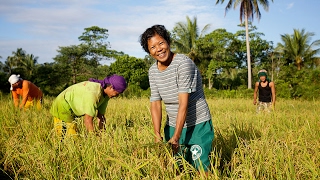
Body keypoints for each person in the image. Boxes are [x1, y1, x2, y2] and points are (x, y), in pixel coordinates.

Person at [139, 25, 214, 174]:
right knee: (178, 168)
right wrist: (157, 133)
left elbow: (183, 104)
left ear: (168, 42)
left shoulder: (183, 64)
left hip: (196, 123)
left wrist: (177, 137)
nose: (158, 49)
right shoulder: (152, 71)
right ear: (149, 52)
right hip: (173, 123)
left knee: (200, 168)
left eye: (161, 43)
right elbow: (155, 103)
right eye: (152, 47)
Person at [50, 74, 127, 137]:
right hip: (62, 104)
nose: (117, 96)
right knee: (69, 136)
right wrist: (93, 138)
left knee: (73, 136)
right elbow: (88, 120)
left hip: (72, 108)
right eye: (117, 93)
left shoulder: (106, 96)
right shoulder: (93, 93)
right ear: (110, 87)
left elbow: (101, 116)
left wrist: (103, 134)